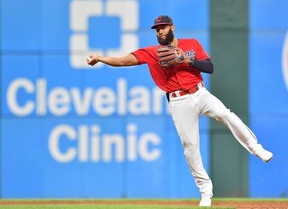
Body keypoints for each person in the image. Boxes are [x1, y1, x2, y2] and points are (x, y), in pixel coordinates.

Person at [86, 15, 273, 207]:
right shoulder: (152, 53)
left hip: (200, 93)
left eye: (163, 27)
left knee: (225, 114)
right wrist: (100, 58)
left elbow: (210, 67)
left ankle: (256, 148)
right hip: (178, 101)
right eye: (157, 29)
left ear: (172, 28)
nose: (159, 31)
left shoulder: (191, 44)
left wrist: (186, 60)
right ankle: (205, 192)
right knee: (190, 147)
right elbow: (124, 61)